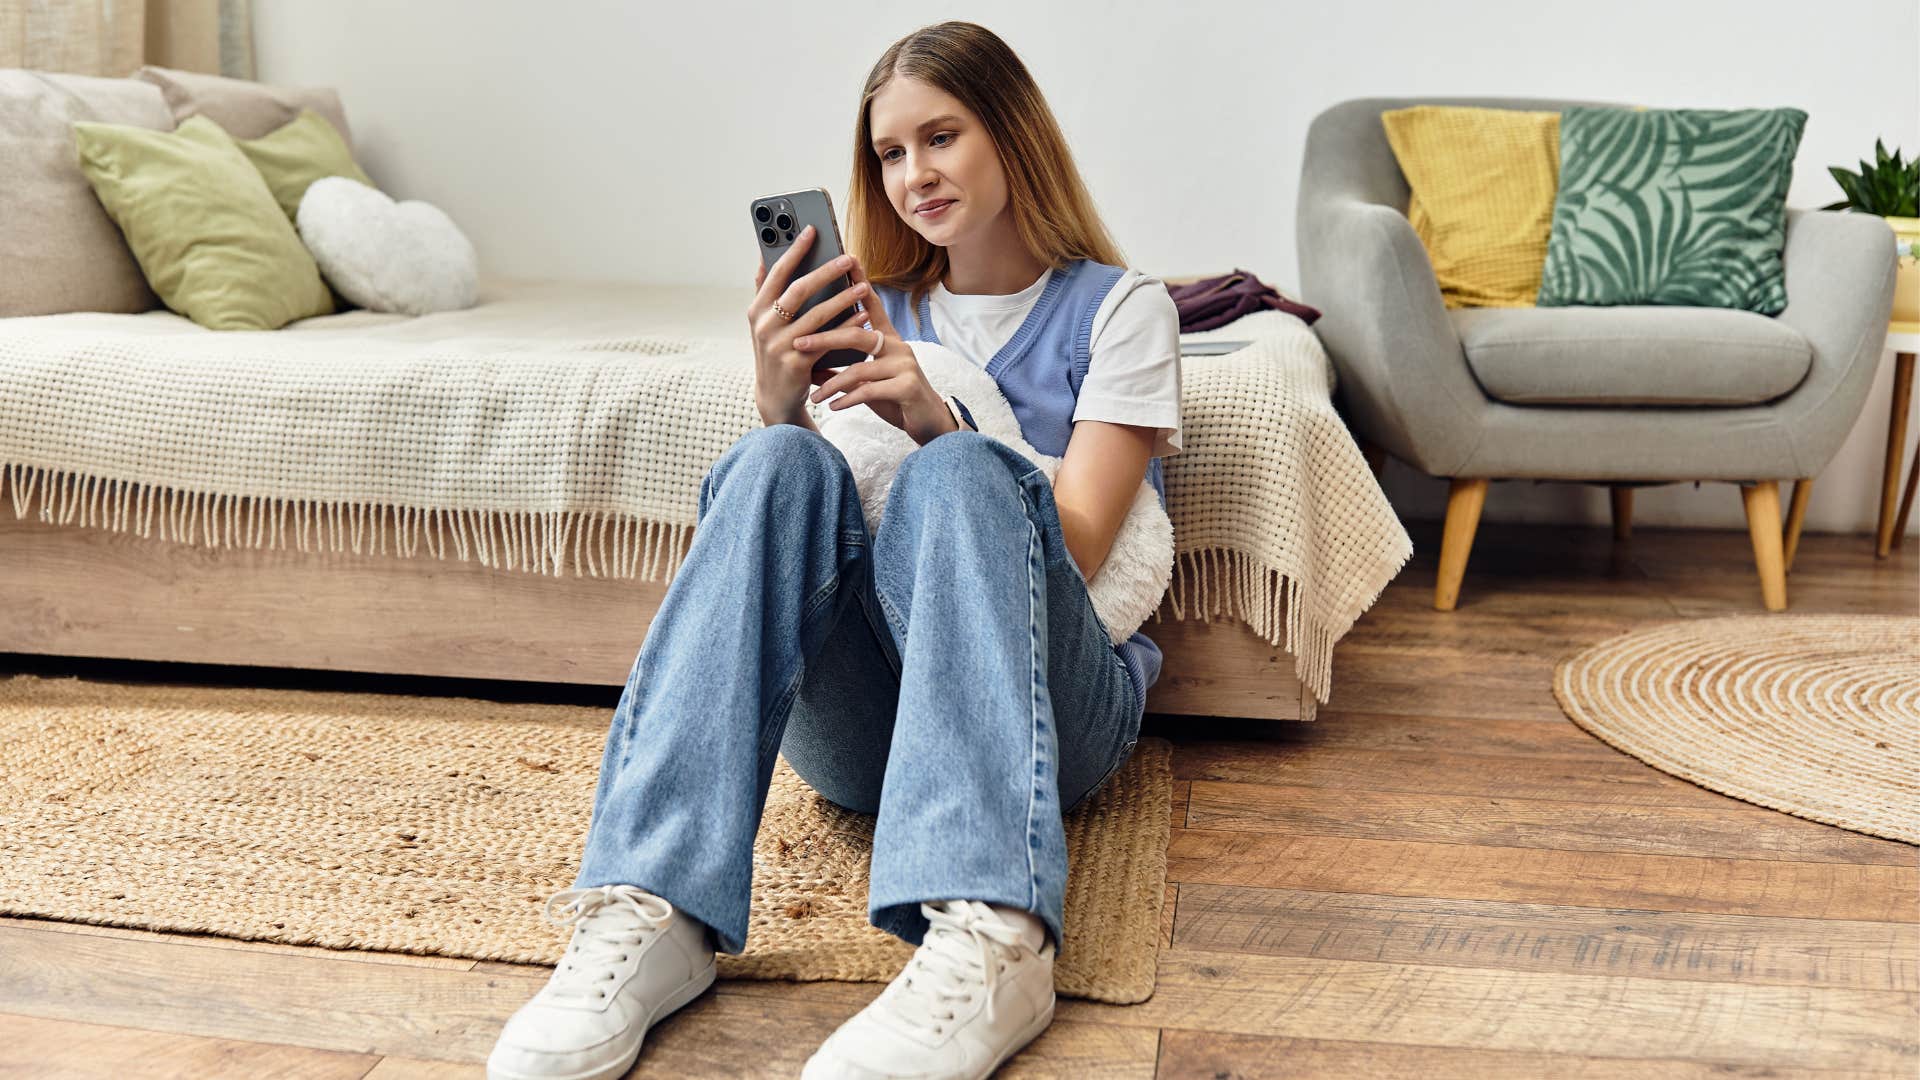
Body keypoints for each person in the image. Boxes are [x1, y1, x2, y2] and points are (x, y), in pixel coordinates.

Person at [487, 19, 1182, 1080]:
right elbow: (817, 527)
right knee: (776, 466)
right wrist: (779, 407)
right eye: (890, 154)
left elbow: (1080, 553)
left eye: (940, 137)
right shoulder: (872, 310)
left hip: (1054, 712)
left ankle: (994, 931)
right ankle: (654, 908)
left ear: (1013, 133)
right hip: (869, 732)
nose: (915, 175)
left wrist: (938, 424)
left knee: (958, 472)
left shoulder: (1119, 312)